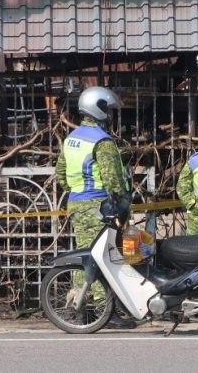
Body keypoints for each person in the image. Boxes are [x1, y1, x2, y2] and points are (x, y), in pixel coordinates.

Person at [55, 85, 135, 329]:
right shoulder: (103, 142)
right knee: (103, 256)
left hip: (77, 203)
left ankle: (80, 308)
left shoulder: (73, 138)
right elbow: (113, 181)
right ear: (98, 109)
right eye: (109, 110)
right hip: (99, 205)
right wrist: (122, 203)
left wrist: (79, 189)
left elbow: (60, 174)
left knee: (85, 255)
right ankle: (105, 311)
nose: (111, 116)